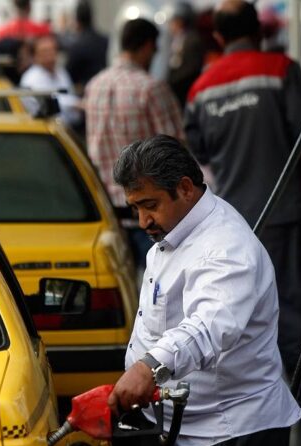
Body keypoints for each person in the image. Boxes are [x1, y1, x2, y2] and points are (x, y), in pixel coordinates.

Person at [108, 134, 301, 446]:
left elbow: (208, 326)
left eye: (150, 205)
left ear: (185, 188)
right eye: (135, 208)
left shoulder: (225, 247)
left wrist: (148, 368)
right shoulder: (176, 231)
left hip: (231, 437)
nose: (142, 221)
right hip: (187, 432)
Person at [184, 0, 301, 375]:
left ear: (218, 36)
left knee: (244, 315)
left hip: (235, 224)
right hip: (286, 215)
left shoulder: (201, 89)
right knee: (298, 313)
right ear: (258, 30)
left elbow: (200, 152)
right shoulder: (281, 70)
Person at [84, 18, 184, 268]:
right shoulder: (151, 89)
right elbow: (177, 152)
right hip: (150, 213)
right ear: (148, 46)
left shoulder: (94, 86)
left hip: (107, 212)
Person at [19, 34, 82, 129]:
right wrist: (76, 104)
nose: (50, 55)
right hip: (43, 129)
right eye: (45, 51)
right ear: (35, 56)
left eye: (52, 50)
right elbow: (50, 102)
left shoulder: (60, 71)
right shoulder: (31, 78)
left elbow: (69, 94)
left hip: (68, 127)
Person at [60, 0, 108, 96]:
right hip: (105, 88)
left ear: (77, 21)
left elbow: (68, 75)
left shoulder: (77, 46)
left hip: (84, 93)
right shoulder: (105, 40)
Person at [166, 2, 206, 108]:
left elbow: (191, 69)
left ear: (180, 21)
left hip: (186, 92)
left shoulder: (192, 40)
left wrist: (172, 82)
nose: (170, 26)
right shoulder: (176, 39)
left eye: (172, 21)